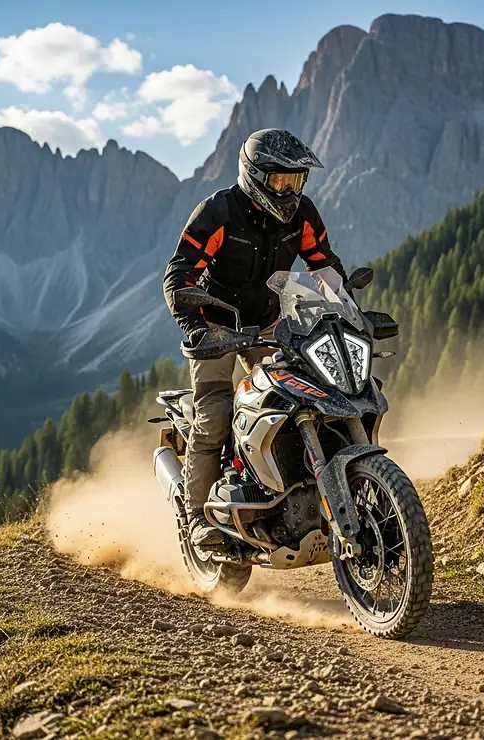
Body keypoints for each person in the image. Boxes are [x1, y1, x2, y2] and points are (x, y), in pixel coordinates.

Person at [163, 128, 348, 548]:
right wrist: (195, 327)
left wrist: (348, 309)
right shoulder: (219, 212)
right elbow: (179, 275)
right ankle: (198, 521)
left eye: (296, 180)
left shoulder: (302, 214)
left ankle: (290, 492)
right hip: (216, 324)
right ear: (254, 176)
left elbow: (324, 266)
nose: (288, 189)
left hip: (269, 322)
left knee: (304, 398)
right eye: (279, 180)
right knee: (214, 415)